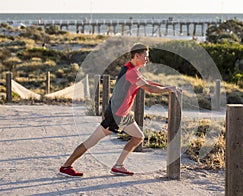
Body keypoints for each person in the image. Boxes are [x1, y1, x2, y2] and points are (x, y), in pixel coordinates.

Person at [59, 43, 180, 177]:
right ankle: (66, 166)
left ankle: (118, 166)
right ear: (137, 56)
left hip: (122, 113)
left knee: (138, 137)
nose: (147, 59)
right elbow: (149, 89)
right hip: (116, 115)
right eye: (145, 56)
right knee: (91, 141)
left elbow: (147, 82)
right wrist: (168, 89)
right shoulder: (131, 72)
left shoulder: (129, 67)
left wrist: (166, 86)